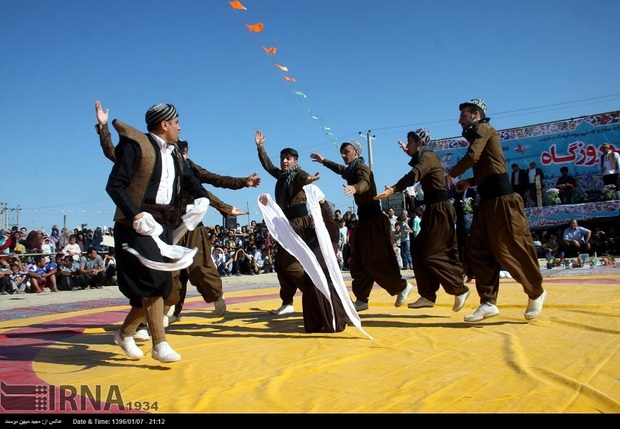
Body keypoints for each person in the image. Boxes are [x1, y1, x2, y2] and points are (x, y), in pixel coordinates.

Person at [96, 101, 258, 323]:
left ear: (185, 153)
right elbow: (115, 157)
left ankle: (216, 299)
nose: (179, 128)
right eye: (176, 123)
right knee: (168, 272)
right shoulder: (147, 153)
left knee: (199, 266)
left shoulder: (184, 164)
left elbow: (210, 183)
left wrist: (237, 191)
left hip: (191, 225)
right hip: (166, 223)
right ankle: (164, 314)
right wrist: (103, 129)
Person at [104, 101, 212, 363]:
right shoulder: (136, 146)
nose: (180, 127)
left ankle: (125, 333)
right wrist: (136, 215)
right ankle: (159, 344)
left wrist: (202, 198)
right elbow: (114, 186)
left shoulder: (175, 153)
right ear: (165, 125)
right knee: (153, 281)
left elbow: (190, 179)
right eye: (176, 122)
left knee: (162, 283)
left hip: (164, 225)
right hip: (136, 224)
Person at [447, 98, 546, 322]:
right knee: (480, 249)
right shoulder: (477, 133)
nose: (459, 120)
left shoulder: (484, 128)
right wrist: (469, 183)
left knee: (512, 248)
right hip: (487, 201)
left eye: (463, 116)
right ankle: (488, 302)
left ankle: (536, 292)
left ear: (475, 115)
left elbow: (473, 156)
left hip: (503, 201)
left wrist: (452, 174)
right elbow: (486, 167)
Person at [310, 141, 413, 311]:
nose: (343, 155)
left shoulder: (362, 168)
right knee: (357, 261)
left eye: (346, 152)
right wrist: (324, 161)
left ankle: (401, 287)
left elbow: (364, 182)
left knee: (374, 260)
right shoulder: (351, 169)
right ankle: (362, 299)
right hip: (364, 222)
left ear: (356, 152)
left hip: (374, 220)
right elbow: (340, 169)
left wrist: (355, 188)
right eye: (342, 153)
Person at [375, 129, 470, 312]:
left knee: (432, 252)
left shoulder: (428, 157)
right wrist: (408, 152)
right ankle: (427, 294)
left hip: (440, 209)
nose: (407, 145)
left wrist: (393, 189)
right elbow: (417, 164)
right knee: (418, 249)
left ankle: (460, 289)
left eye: (410, 142)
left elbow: (413, 175)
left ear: (419, 143)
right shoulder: (425, 156)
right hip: (433, 208)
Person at [255, 129, 321, 315]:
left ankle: (314, 293)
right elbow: (268, 166)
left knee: (292, 264)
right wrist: (261, 147)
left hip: (298, 223)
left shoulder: (298, 173)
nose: (284, 161)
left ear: (295, 161)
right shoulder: (282, 175)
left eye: (289, 158)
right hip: (285, 222)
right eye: (283, 158)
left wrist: (309, 179)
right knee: (281, 264)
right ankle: (287, 302)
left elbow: (303, 178)